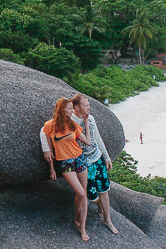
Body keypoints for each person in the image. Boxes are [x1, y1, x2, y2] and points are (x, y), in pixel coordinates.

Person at [41, 97, 93, 241]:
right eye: (69, 109)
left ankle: (82, 228)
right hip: (65, 162)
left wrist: (86, 125)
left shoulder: (73, 125)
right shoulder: (49, 126)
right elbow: (50, 148)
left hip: (79, 158)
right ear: (62, 110)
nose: (72, 111)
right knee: (80, 193)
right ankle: (76, 215)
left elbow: (87, 142)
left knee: (84, 194)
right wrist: (52, 168)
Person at [71, 94, 118, 235]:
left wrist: (106, 157)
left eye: (88, 105)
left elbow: (97, 138)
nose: (89, 108)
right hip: (85, 163)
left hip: (97, 158)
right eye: (85, 105)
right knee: (91, 196)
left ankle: (107, 220)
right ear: (77, 107)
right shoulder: (70, 122)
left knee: (104, 190)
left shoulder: (90, 118)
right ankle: (99, 206)